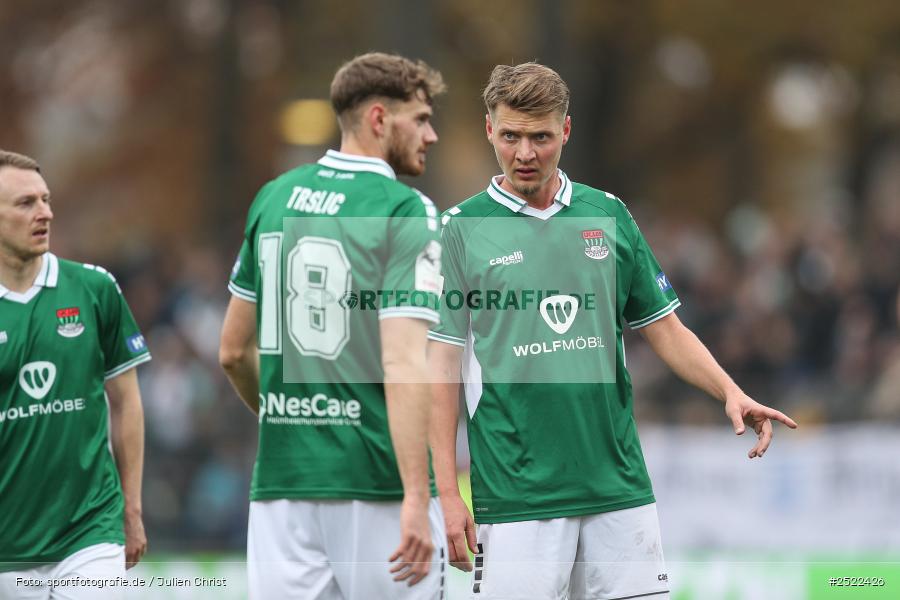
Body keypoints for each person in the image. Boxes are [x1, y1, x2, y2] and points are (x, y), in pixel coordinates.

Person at [428, 63, 799, 600]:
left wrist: (730, 391)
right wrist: (445, 490)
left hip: (618, 490)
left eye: (541, 137)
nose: (524, 154)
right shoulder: (460, 230)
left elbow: (666, 328)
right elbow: (439, 367)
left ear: (567, 131)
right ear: (489, 130)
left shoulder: (608, 215)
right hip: (517, 498)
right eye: (510, 136)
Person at [219, 52, 449, 599]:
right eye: (419, 118)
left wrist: (288, 414)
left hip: (282, 488)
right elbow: (402, 362)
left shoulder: (272, 197)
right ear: (377, 119)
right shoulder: (404, 209)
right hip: (374, 484)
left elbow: (231, 351)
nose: (432, 135)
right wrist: (417, 496)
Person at [0, 150, 150, 599]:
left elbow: (125, 402)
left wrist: (131, 508)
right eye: (25, 203)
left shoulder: (93, 288)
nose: (45, 212)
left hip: (90, 528)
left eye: (45, 200)